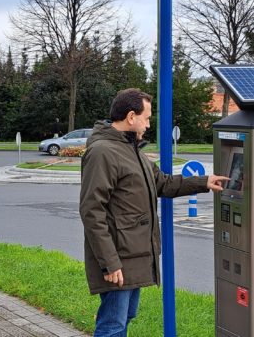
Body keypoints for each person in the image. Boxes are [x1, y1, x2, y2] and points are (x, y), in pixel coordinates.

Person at [79, 88, 228, 336]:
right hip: (118, 256)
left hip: (132, 253)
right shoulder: (103, 152)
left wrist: (203, 182)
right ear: (130, 117)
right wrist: (109, 262)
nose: (148, 124)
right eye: (146, 118)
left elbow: (163, 183)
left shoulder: (132, 150)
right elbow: (92, 210)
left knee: (124, 317)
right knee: (112, 324)